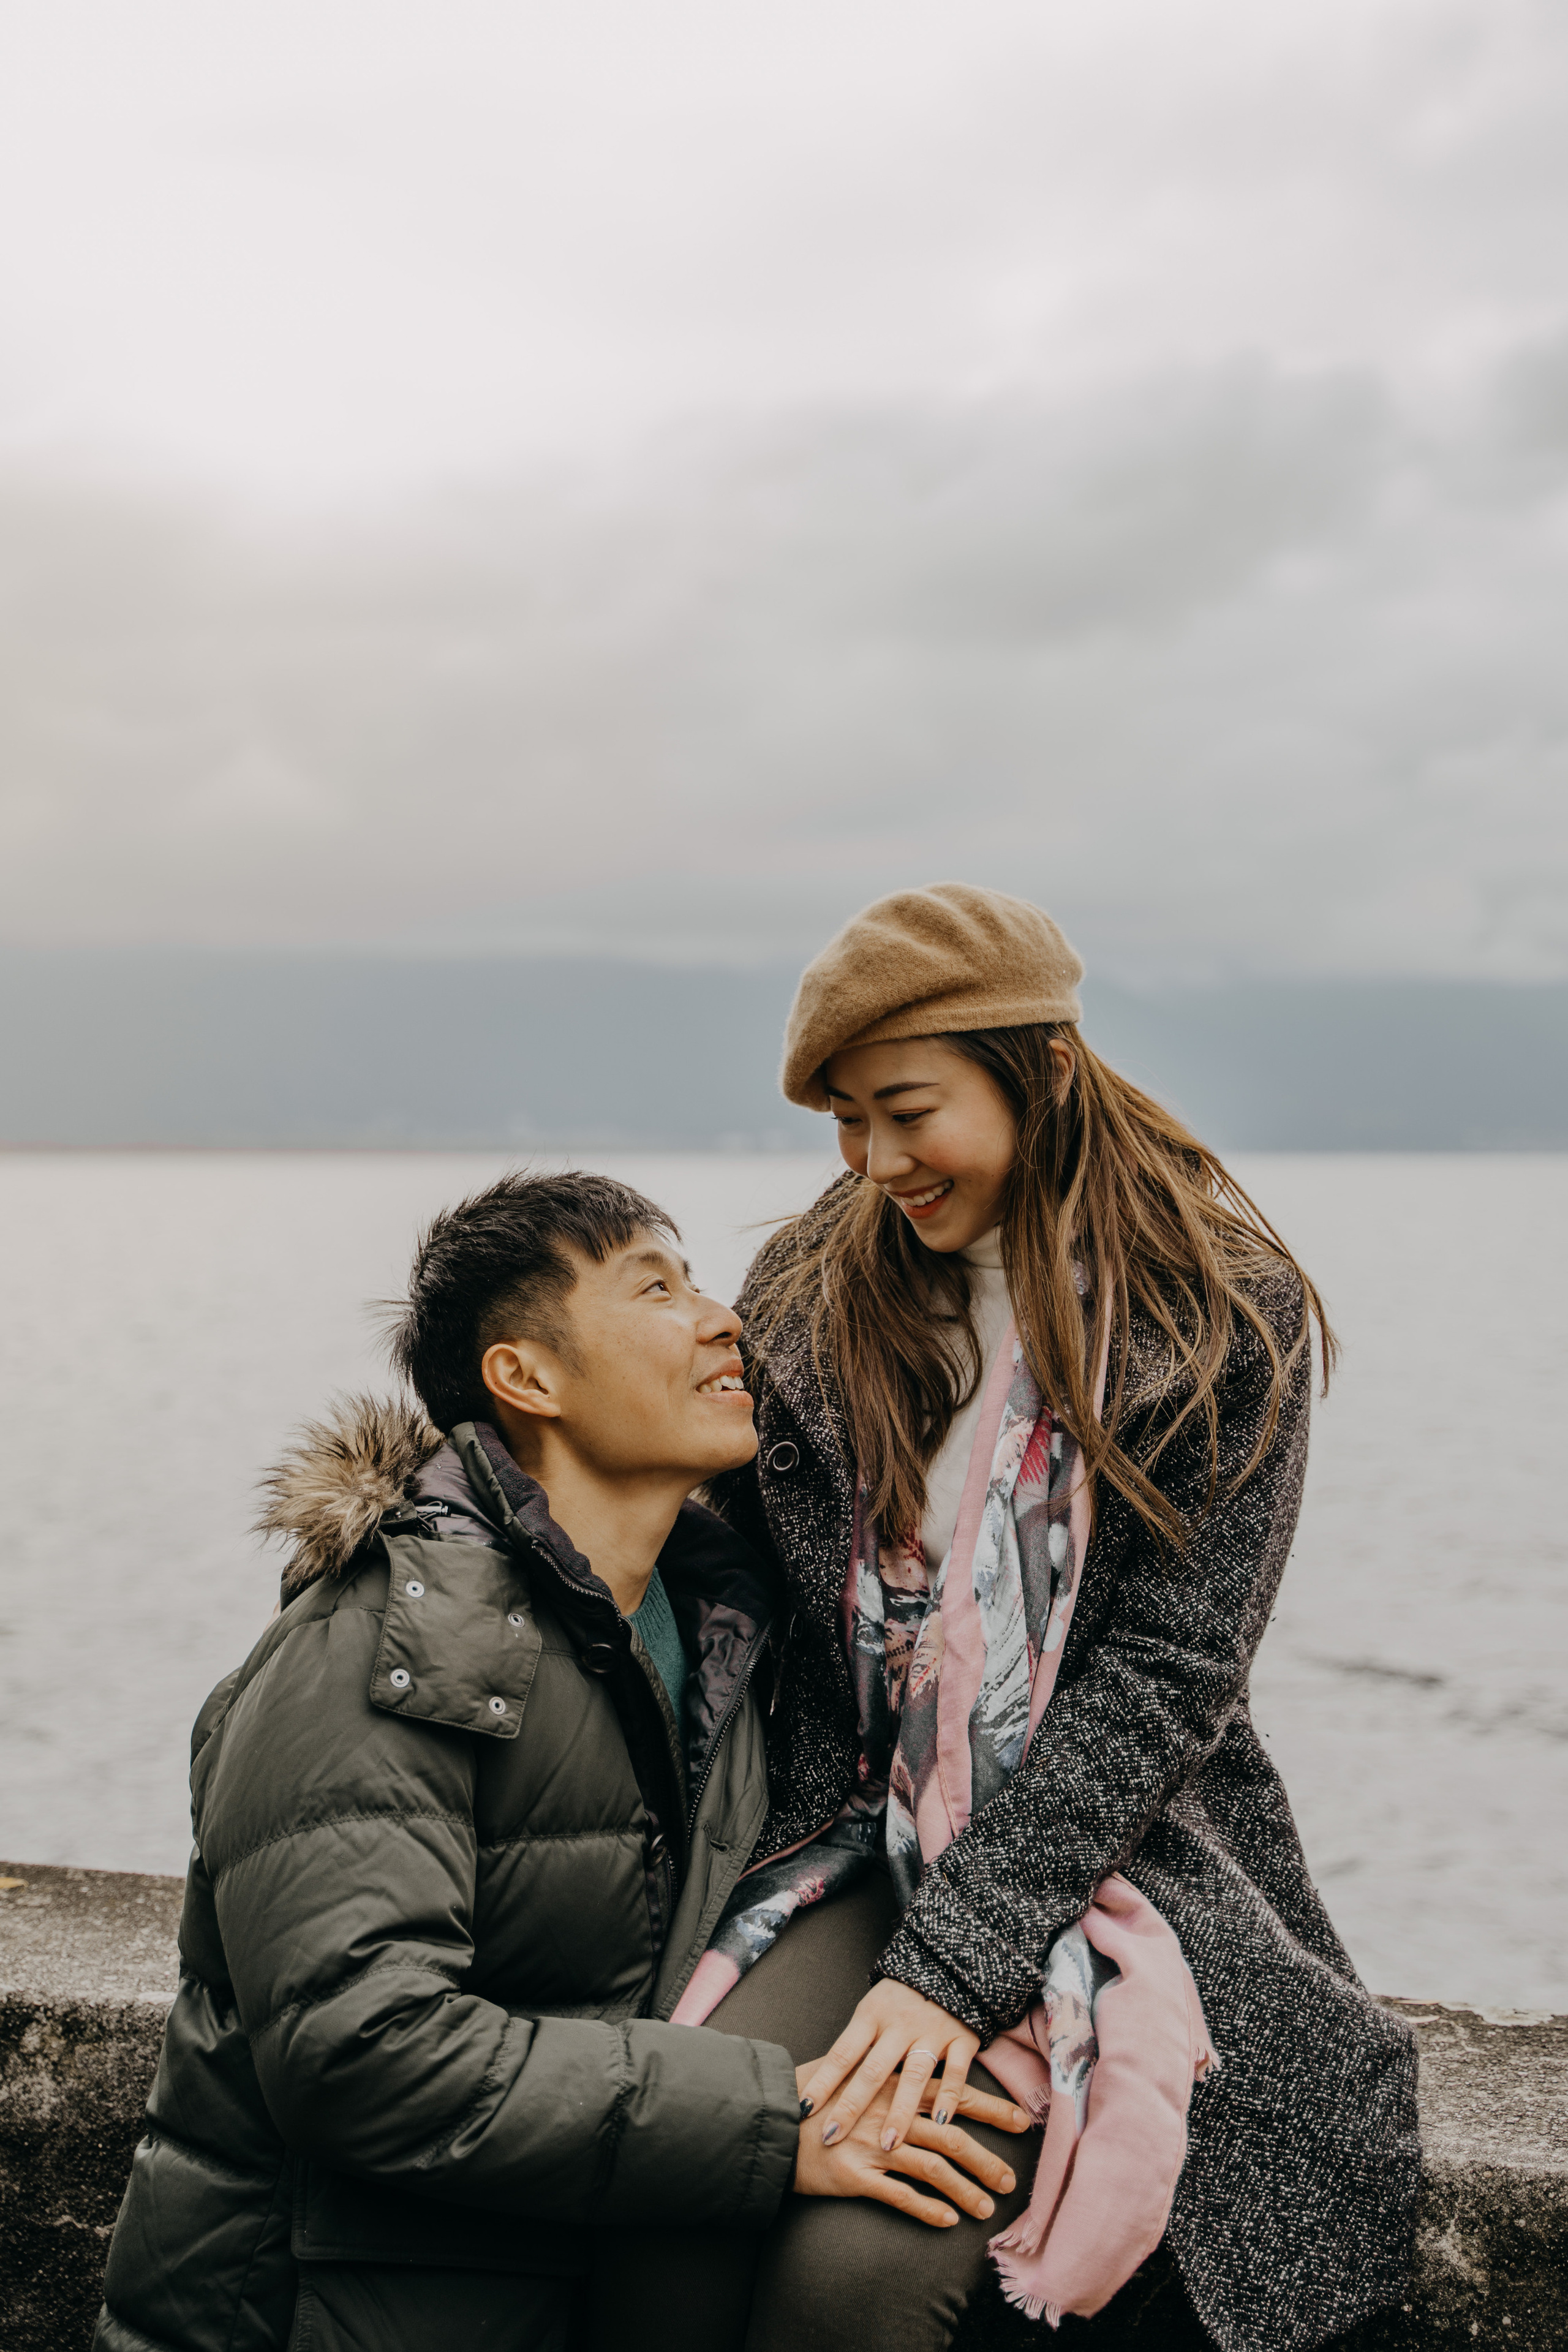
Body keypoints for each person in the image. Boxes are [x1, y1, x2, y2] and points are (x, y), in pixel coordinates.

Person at [92, 1170, 1028, 2352]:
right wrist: (771, 2128)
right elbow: (362, 2054)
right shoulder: (387, 1644)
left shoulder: (720, 1643)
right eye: (654, 1286)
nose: (721, 1317)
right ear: (526, 1378)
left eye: (696, 1279)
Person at [692, 884, 1422, 2352]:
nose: (874, 1161)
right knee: (679, 2176)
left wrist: (947, 1973)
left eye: (905, 1110)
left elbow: (1168, 1674)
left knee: (849, 2284)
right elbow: (729, 1565)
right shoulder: (808, 1285)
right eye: (843, 1120)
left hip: (1116, 1847)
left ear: (1038, 1070)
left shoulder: (1219, 1308)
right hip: (836, 1834)